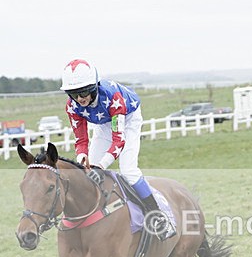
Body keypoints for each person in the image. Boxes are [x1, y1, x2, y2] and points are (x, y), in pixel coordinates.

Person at [60, 58, 174, 239]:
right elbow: (81, 140)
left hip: (126, 118)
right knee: (88, 174)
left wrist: (101, 166)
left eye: (84, 92)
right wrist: (83, 160)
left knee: (128, 171)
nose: (80, 98)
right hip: (103, 123)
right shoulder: (72, 106)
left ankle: (158, 216)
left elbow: (118, 141)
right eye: (74, 94)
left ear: (94, 87)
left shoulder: (114, 98)